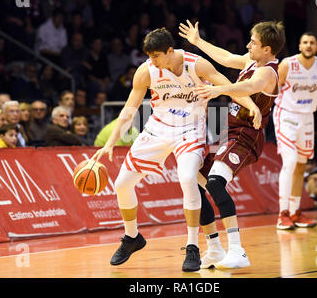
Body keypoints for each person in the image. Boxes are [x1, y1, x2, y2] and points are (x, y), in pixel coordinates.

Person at [91, 27, 261, 272]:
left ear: (170, 51)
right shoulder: (146, 71)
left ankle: (192, 246)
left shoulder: (196, 65)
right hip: (157, 128)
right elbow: (129, 110)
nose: (152, 62)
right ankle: (132, 238)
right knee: (121, 184)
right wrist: (110, 142)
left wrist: (252, 106)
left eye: (156, 56)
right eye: (149, 57)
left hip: (189, 129)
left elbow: (227, 85)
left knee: (188, 178)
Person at [179, 20, 284, 268]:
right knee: (195, 181)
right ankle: (214, 248)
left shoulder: (268, 72)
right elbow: (226, 57)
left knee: (215, 183)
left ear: (267, 49)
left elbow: (248, 87)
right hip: (230, 132)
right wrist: (198, 42)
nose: (248, 45)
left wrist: (218, 89)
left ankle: (237, 250)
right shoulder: (252, 61)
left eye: (254, 42)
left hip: (247, 135)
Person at [270, 32, 317, 230]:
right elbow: (271, 88)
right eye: (305, 42)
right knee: (291, 161)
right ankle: (282, 213)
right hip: (286, 115)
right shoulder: (288, 64)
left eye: (312, 42)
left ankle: (295, 212)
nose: (309, 45)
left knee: (302, 166)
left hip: (307, 117)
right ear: (300, 46)